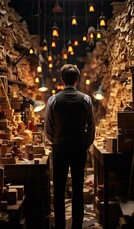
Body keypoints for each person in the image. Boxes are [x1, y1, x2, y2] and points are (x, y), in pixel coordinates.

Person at [44, 64, 95, 229]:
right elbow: (91, 127)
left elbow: (48, 128)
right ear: (77, 80)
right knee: (78, 189)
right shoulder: (86, 99)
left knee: (58, 189)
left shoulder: (53, 100)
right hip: (79, 148)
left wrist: (56, 140)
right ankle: (77, 226)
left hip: (60, 148)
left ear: (61, 80)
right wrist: (85, 143)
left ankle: (60, 225)